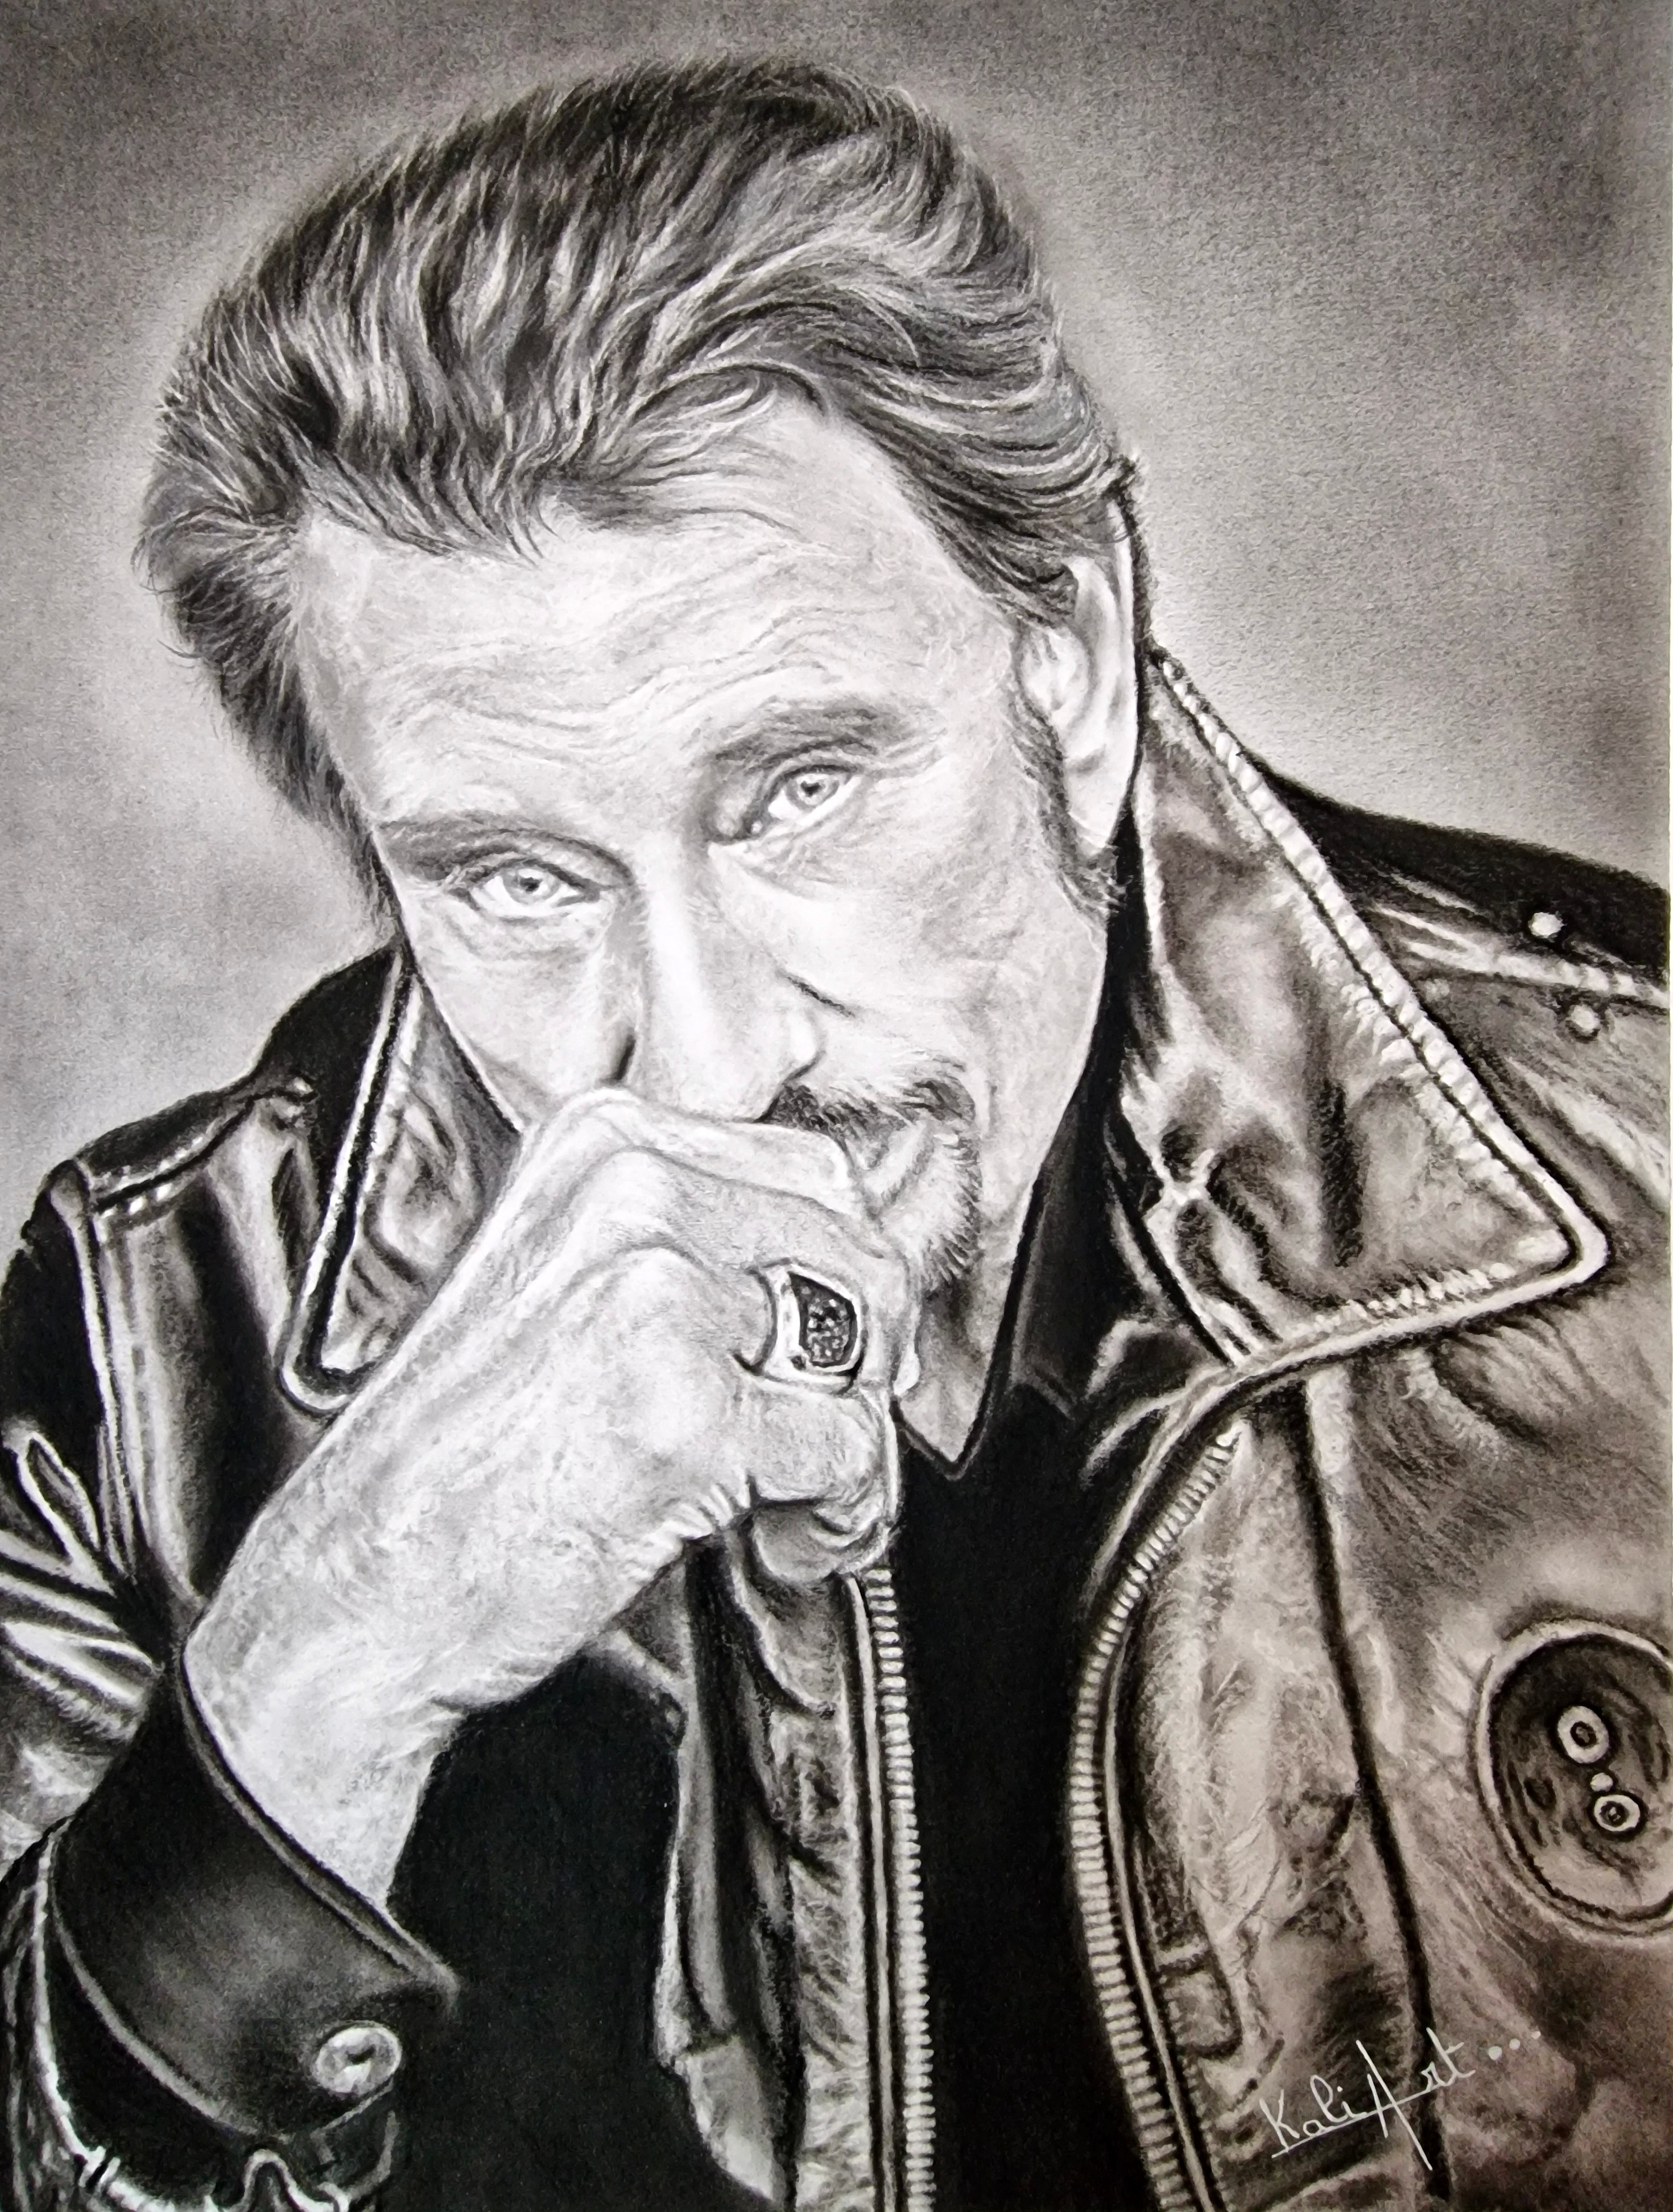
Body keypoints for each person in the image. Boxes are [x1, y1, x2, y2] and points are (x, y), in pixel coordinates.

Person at [1, 57, 1667, 2212]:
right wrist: (326, 1663)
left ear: (1072, 664)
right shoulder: (152, 1331)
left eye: (798, 792)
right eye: (515, 879)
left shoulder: (1631, 1160)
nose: (702, 1067)